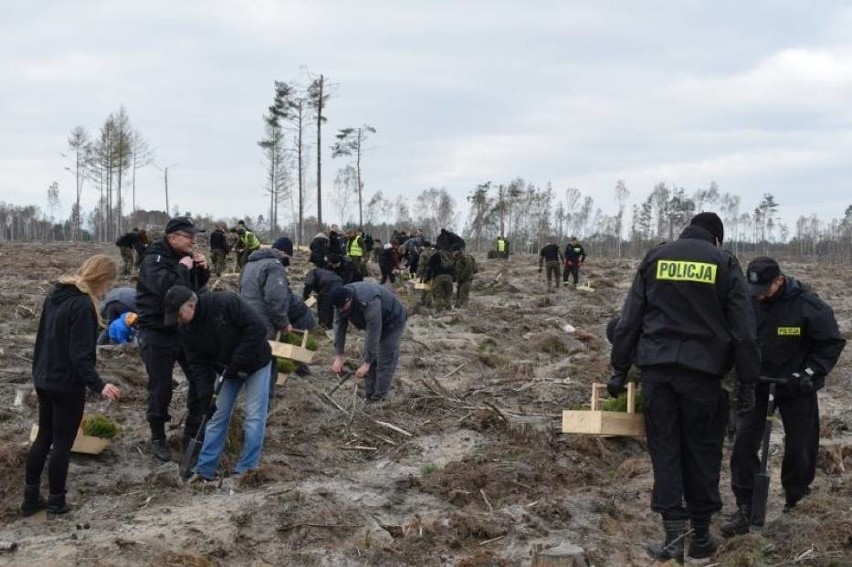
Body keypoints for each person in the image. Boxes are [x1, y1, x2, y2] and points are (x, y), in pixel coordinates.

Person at [609, 212, 761, 562]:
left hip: (657, 375)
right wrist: (748, 382)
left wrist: (618, 368)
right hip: (703, 378)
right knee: (703, 453)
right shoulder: (725, 263)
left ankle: (673, 539)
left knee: (666, 451)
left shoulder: (656, 257)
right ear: (717, 239)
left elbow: (630, 318)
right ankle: (701, 539)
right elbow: (744, 331)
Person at [721, 257, 846, 536]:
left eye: (765, 289)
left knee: (801, 446)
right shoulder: (747, 300)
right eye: (756, 290)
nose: (760, 295)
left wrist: (809, 373)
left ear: (779, 280)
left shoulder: (808, 305)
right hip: (757, 383)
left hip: (796, 386)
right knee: (743, 444)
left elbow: (831, 343)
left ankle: (796, 499)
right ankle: (746, 505)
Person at [23, 255, 122, 516]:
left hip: (44, 378)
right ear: (102, 279)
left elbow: (41, 340)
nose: (108, 289)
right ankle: (57, 503)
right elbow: (80, 356)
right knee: (63, 443)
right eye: (109, 282)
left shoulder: (54, 296)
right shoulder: (82, 306)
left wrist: (38, 374)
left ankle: (30, 499)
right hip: (66, 384)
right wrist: (99, 385)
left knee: (44, 437)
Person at [163, 285, 273, 481]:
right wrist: (206, 396)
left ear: (191, 305)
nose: (178, 321)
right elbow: (197, 363)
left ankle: (246, 470)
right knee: (215, 415)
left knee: (254, 416)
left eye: (179, 315)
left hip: (257, 363)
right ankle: (204, 470)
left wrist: (237, 360)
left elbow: (257, 329)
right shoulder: (185, 329)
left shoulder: (225, 302)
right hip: (227, 370)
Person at [136, 216, 211, 462]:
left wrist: (202, 270)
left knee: (200, 379)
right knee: (161, 387)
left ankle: (192, 431)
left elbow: (192, 291)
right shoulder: (153, 259)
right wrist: (184, 267)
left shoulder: (183, 259)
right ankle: (158, 437)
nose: (193, 241)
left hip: (184, 330)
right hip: (156, 330)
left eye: (195, 237)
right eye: (189, 237)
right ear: (173, 238)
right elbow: (168, 290)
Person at [330, 283, 407, 404]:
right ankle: (369, 395)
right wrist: (338, 356)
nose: (341, 311)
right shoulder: (339, 302)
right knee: (369, 358)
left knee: (385, 358)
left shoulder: (368, 301)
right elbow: (339, 328)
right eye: (338, 308)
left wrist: (367, 363)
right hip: (373, 323)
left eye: (343, 307)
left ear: (349, 299)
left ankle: (379, 399)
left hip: (392, 320)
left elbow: (373, 332)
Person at [425, 245, 456, 311]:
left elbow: (430, 268)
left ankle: (438, 311)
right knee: (449, 295)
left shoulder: (435, 255)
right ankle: (449, 311)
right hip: (449, 277)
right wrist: (454, 278)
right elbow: (454, 267)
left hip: (439, 277)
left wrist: (427, 278)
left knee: (438, 295)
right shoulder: (449, 256)